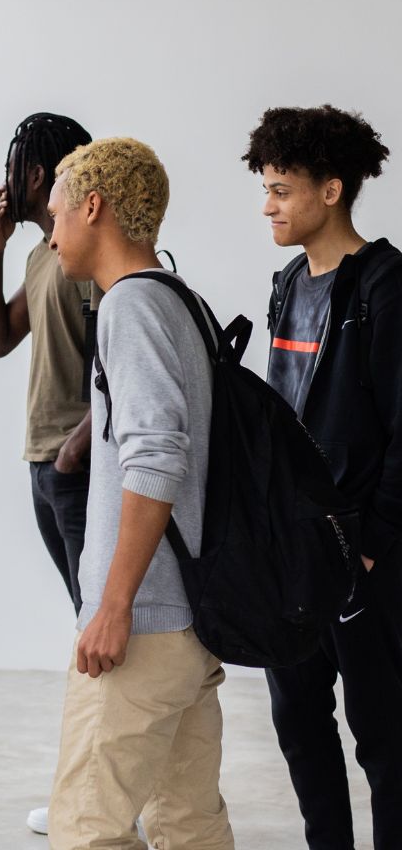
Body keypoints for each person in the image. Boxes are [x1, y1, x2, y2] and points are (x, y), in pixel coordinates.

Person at [45, 138, 234, 849]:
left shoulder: (128, 306)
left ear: (93, 208)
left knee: (86, 828)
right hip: (191, 621)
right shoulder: (184, 302)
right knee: (190, 824)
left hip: (143, 628)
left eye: (57, 215)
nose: (52, 235)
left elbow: (156, 459)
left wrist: (114, 606)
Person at [246, 104, 402, 850]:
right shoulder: (286, 283)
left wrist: (372, 543)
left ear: (331, 191)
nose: (268, 206)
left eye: (282, 191)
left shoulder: (386, 287)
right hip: (294, 554)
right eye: (266, 190)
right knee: (300, 727)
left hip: (364, 558)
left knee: (386, 738)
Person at [0, 111, 94, 836]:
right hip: (44, 465)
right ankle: (94, 793)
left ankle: (97, 797)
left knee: (101, 636)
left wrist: (79, 445)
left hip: (78, 470)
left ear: (39, 173)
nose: (5, 180)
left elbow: (125, 359)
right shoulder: (41, 255)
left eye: (14, 166)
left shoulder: (90, 255)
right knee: (89, 626)